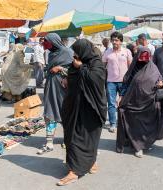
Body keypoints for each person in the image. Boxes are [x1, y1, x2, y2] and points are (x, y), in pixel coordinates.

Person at [57, 39, 107, 186]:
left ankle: (82, 167)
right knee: (73, 136)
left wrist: (82, 68)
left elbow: (95, 80)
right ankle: (76, 168)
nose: (75, 55)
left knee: (89, 138)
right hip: (74, 108)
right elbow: (71, 76)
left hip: (91, 109)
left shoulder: (96, 63)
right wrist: (67, 77)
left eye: (78, 52)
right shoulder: (76, 62)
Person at [116, 47, 163, 158]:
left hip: (149, 102)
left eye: (145, 59)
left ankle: (144, 142)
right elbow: (126, 82)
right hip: (133, 101)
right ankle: (137, 147)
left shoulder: (153, 67)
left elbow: (160, 81)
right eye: (141, 59)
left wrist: (161, 84)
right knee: (132, 120)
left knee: (147, 124)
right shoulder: (134, 67)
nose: (143, 62)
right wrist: (121, 96)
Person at [37, 33, 73, 154]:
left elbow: (76, 70)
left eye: (47, 42)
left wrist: (60, 69)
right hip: (51, 87)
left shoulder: (68, 52)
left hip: (64, 89)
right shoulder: (51, 53)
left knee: (65, 113)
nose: (45, 45)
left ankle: (67, 139)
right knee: (50, 112)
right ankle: (49, 142)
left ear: (54, 42)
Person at [102, 31, 132, 133]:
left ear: (121, 41)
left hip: (124, 82)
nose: (114, 42)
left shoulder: (127, 52)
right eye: (113, 40)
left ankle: (124, 122)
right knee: (111, 103)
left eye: (116, 40)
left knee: (124, 103)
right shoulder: (107, 52)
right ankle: (113, 124)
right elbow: (102, 66)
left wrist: (130, 80)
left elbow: (131, 67)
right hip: (110, 82)